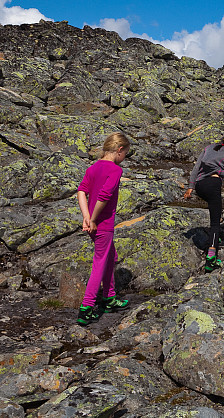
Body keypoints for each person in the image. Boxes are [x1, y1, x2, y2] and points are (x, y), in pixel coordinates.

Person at [75, 132, 132, 325]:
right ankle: (86, 308)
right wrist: (93, 219)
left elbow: (82, 191)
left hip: (93, 223)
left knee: (110, 256)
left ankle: (109, 297)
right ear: (119, 150)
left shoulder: (93, 168)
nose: (124, 159)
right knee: (99, 262)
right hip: (102, 224)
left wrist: (86, 216)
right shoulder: (115, 170)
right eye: (125, 154)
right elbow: (104, 196)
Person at [184, 127, 224, 271]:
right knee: (215, 223)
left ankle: (212, 240)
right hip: (213, 185)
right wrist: (218, 171)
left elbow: (196, 168)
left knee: (213, 213)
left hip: (199, 187)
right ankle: (211, 259)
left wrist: (190, 187)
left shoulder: (209, 148)